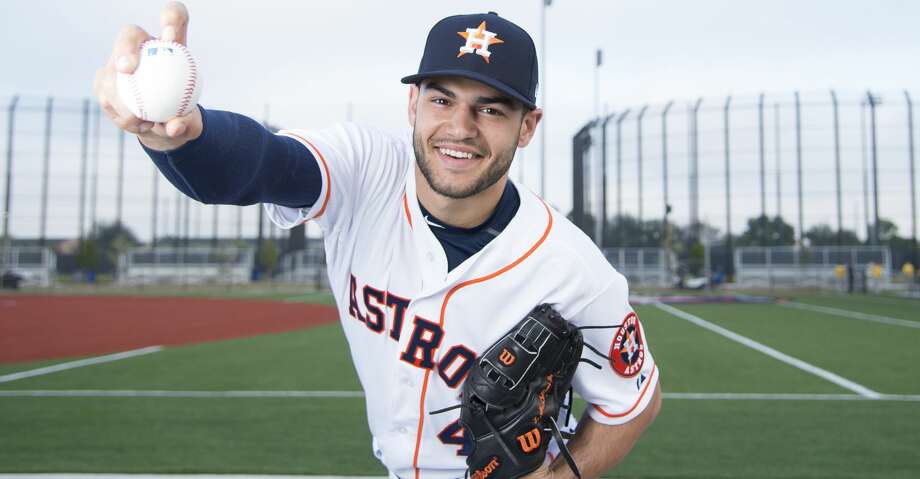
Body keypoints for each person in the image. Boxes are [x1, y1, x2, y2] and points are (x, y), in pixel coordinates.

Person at [94, 3, 662, 478]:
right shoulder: (365, 171)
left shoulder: (573, 270)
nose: (460, 127)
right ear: (412, 105)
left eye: (490, 109)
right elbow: (259, 165)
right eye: (441, 99)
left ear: (528, 127)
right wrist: (182, 137)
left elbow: (635, 403)